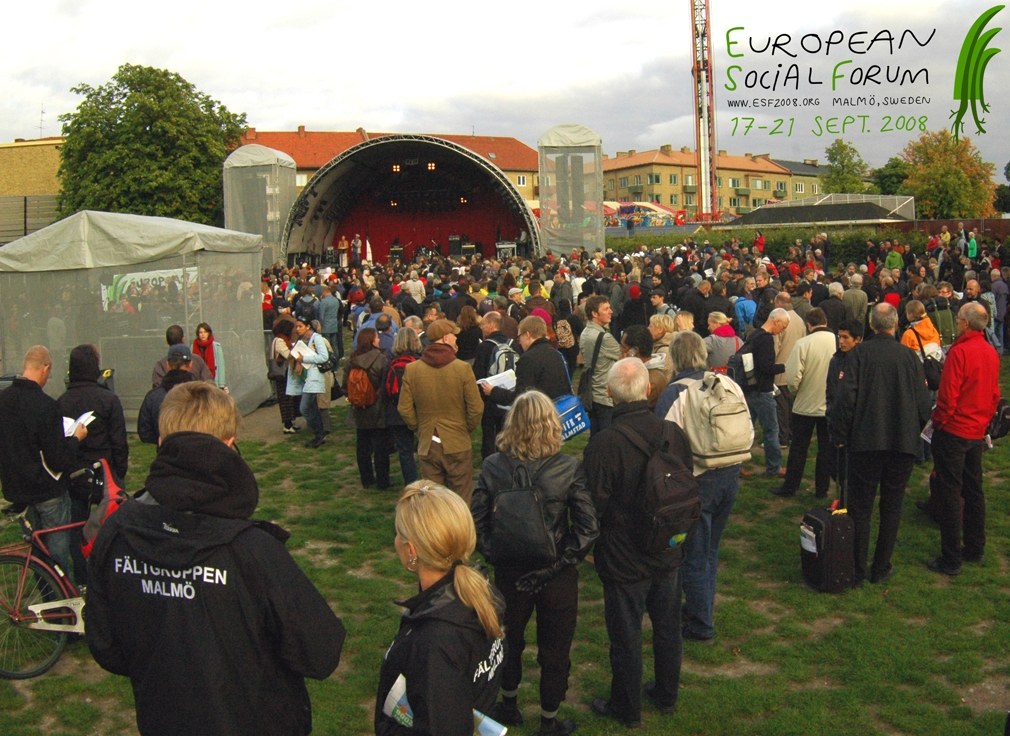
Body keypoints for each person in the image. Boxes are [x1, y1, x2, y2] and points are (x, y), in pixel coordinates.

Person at [86, 382, 345, 735]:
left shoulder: (117, 534)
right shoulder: (252, 551)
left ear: (163, 443)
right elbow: (319, 651)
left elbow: (108, 645)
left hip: (165, 716)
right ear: (229, 444)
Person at [472, 391, 598, 736]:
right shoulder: (567, 469)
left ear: (512, 424)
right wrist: (557, 566)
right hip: (556, 573)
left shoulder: (493, 466)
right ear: (551, 425)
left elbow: (475, 521)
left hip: (511, 572)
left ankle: (509, 703)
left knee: (507, 638)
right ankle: (548, 718)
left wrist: (495, 553)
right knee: (555, 647)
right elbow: (588, 529)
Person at [585, 358, 692, 727]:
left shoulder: (604, 444)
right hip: (666, 546)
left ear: (610, 394)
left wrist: (587, 546)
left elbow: (592, 503)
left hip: (623, 554)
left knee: (626, 634)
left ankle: (627, 707)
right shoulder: (672, 432)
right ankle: (666, 694)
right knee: (667, 626)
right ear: (648, 391)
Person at [376, 481, 505, 736]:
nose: (395, 540)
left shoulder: (435, 639)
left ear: (411, 550)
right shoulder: (481, 590)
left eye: (399, 534)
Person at [828, 303, 932, 585]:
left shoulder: (861, 354)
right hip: (900, 442)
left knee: (861, 506)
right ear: (894, 324)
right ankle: (880, 566)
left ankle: (861, 568)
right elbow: (924, 403)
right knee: (891, 505)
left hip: (867, 441)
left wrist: (840, 435)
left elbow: (845, 398)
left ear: (874, 326)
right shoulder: (908, 357)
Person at [657, 330, 746, 642]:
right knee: (710, 548)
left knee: (694, 552)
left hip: (697, 477)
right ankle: (702, 606)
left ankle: (700, 622)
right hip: (730, 470)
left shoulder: (675, 391)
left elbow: (663, 443)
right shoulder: (726, 383)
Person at [926, 302, 1002, 576]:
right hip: (976, 429)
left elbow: (948, 395)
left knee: (949, 492)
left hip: (955, 430)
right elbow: (994, 393)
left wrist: (940, 423)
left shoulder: (960, 352)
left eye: (959, 319)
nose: (956, 322)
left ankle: (951, 556)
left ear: (966, 323)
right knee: (974, 489)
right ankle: (974, 546)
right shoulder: (990, 352)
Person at [0, 346, 88, 577]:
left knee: (36, 555)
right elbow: (58, 459)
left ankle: (45, 602)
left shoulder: (4, 400)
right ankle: (60, 606)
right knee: (56, 555)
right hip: (47, 490)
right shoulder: (46, 405)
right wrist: (75, 439)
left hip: (17, 488)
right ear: (46, 368)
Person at [56, 344, 129, 585]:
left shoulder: (61, 402)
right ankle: (111, 575)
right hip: (106, 473)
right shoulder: (108, 399)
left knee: (77, 528)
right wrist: (120, 473)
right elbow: (119, 442)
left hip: (76, 475)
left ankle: (83, 578)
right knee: (113, 527)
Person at [398, 319, 484, 502]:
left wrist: (420, 428)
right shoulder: (463, 369)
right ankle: (460, 530)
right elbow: (476, 408)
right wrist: (464, 428)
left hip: (428, 442)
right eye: (454, 336)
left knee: (433, 500)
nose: (456, 340)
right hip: (457, 441)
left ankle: (436, 530)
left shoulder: (412, 369)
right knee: (461, 499)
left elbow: (404, 408)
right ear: (445, 338)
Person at [774, 308, 836, 498]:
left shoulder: (803, 343)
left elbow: (792, 377)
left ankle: (791, 486)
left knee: (799, 448)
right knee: (826, 449)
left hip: (805, 404)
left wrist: (796, 391)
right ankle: (822, 489)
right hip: (830, 405)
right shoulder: (838, 341)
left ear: (809, 325)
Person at [481, 315, 570, 407]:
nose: (519, 342)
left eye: (519, 337)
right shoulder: (556, 353)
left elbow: (521, 398)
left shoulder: (528, 359)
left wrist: (494, 391)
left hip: (539, 413)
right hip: (557, 409)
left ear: (527, 335)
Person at [741, 308, 789, 478]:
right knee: (771, 430)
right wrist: (786, 367)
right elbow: (766, 367)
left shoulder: (753, 335)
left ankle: (736, 465)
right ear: (775, 321)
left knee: (746, 430)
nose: (782, 330)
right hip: (763, 390)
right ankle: (774, 467)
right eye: (783, 326)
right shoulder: (767, 340)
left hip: (749, 388)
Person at [343, 327, 390, 490]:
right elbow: (385, 385)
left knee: (362, 445)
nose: (379, 340)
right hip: (377, 407)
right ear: (371, 340)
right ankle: (383, 481)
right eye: (377, 338)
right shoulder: (381, 359)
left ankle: (367, 479)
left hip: (359, 408)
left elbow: (345, 385)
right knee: (380, 447)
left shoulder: (352, 361)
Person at [579, 295, 622, 434]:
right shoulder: (604, 337)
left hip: (592, 393)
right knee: (607, 437)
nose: (611, 311)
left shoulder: (586, 332)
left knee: (595, 436)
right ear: (594, 314)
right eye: (606, 309)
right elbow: (624, 357)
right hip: (604, 394)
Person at [288, 315, 330, 448]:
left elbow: (324, 357)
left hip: (314, 377)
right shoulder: (301, 339)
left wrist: (303, 359)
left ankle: (319, 432)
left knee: (304, 408)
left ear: (308, 327)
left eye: (300, 326)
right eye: (296, 326)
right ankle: (319, 433)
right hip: (305, 378)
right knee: (311, 407)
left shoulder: (316, 338)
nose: (298, 329)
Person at [270, 318, 299, 433]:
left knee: (289, 398)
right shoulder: (279, 341)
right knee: (285, 399)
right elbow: (288, 355)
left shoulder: (282, 340)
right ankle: (287, 425)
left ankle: (290, 422)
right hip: (282, 374)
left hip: (286, 373)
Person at [191, 322, 227, 391]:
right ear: (198, 334)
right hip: (198, 381)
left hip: (213, 380)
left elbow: (221, 365)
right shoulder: (193, 346)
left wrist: (221, 384)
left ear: (209, 333)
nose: (203, 334)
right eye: (200, 332)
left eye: (205, 332)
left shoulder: (216, 346)